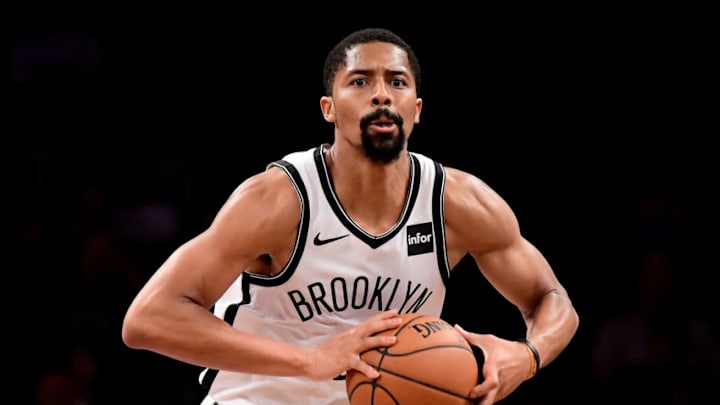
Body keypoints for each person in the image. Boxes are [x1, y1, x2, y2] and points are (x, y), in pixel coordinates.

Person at [121, 27, 580, 405]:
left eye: (397, 82)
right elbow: (149, 318)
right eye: (360, 81)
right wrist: (311, 360)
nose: (382, 95)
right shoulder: (279, 200)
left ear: (416, 110)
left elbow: (550, 297)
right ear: (329, 108)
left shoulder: (457, 203)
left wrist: (528, 355)